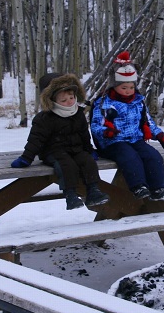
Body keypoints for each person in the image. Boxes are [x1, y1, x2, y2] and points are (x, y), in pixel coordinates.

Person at [11, 73, 110, 210]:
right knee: (67, 165)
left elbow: (84, 135)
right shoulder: (45, 118)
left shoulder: (78, 113)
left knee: (87, 161)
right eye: (64, 101)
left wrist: (89, 150)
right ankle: (70, 194)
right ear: (52, 101)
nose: (69, 102)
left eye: (71, 97)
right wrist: (26, 158)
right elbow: (36, 140)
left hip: (76, 149)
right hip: (53, 151)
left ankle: (93, 190)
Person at [90, 51, 164, 201]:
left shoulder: (137, 102)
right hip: (113, 142)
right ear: (114, 86)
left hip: (135, 139)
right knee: (130, 157)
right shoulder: (105, 103)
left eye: (131, 87)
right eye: (124, 88)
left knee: (152, 156)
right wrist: (107, 132)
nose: (128, 91)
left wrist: (158, 134)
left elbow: (146, 121)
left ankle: (158, 188)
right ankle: (138, 186)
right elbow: (95, 125)